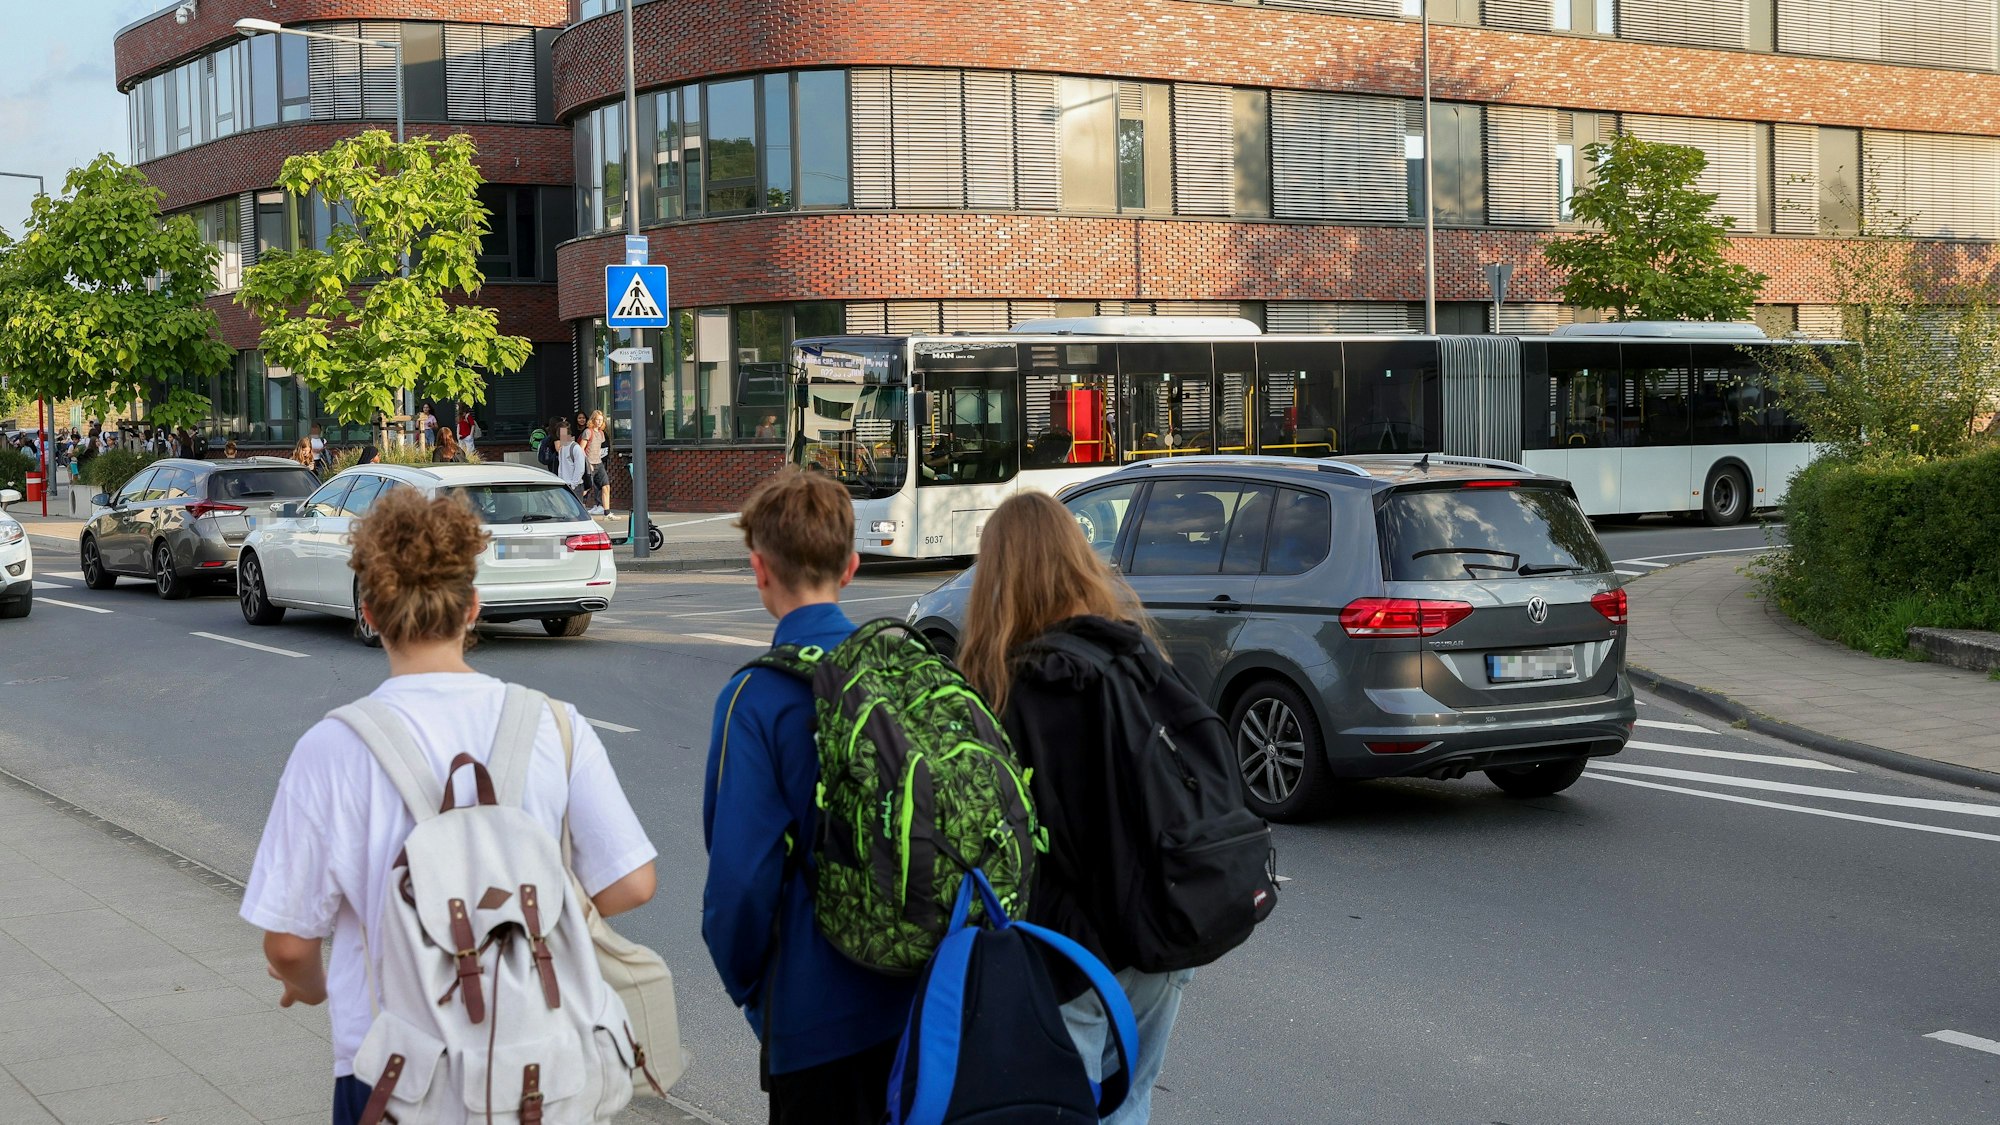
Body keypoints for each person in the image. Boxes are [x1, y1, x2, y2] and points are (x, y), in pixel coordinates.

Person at [240, 487, 659, 1125]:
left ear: (371, 613)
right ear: (473, 608)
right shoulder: (554, 726)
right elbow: (632, 881)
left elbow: (291, 944)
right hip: (534, 1071)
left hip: (390, 1073)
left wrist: (311, 988)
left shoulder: (333, 749)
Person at [957, 492, 1196, 1125]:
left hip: (1075, 956)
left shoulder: (1016, 687)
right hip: (1164, 933)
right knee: (1131, 1102)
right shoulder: (1133, 654)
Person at [701, 469, 917, 1124]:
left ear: (759, 569)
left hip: (815, 1015)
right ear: (851, 566)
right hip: (921, 1001)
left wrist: (755, 990)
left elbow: (740, 881)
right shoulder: (903, 670)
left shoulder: (756, 699)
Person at [584, 410, 610, 516]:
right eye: (597, 420)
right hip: (589, 462)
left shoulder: (601, 433)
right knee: (586, 487)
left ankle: (607, 512)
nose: (599, 422)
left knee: (606, 486)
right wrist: (586, 462)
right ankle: (577, 506)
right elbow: (581, 449)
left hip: (598, 463)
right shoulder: (588, 432)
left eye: (601, 420)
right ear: (593, 420)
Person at [555, 422, 586, 501]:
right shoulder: (562, 448)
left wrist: (573, 484)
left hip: (575, 486)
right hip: (565, 485)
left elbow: (580, 468)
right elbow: (561, 468)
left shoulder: (575, 447)